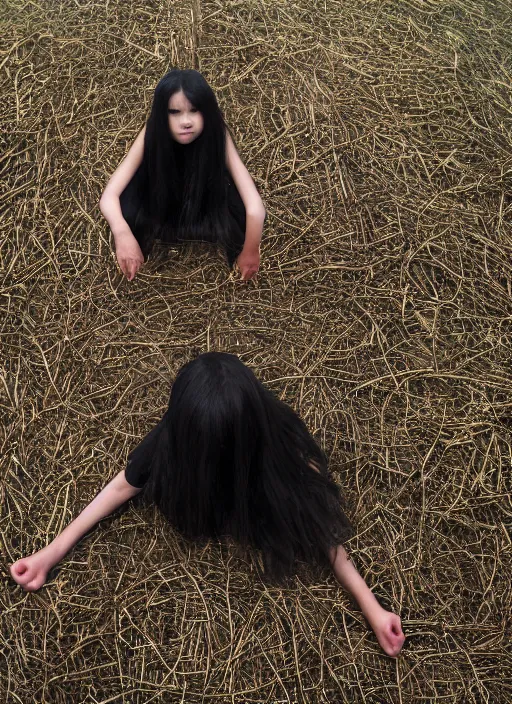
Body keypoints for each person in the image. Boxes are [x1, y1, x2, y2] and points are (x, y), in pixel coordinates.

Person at [9, 353, 405, 657]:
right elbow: (120, 488)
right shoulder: (169, 448)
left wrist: (373, 609)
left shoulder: (279, 448)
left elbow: (314, 525)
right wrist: (52, 552)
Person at [99, 69, 265, 281]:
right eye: (174, 112)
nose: (186, 121)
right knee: (128, 210)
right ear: (162, 114)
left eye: (194, 110)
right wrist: (122, 234)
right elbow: (109, 196)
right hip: (162, 199)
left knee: (239, 214)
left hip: (205, 199)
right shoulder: (152, 132)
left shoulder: (217, 133)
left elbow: (255, 209)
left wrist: (250, 253)